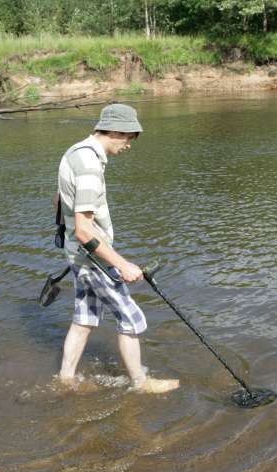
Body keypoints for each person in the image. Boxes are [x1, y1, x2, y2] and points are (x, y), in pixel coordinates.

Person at [56, 103, 179, 394]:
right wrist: (122, 265)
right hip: (92, 257)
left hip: (78, 255)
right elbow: (84, 230)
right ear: (113, 130)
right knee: (132, 318)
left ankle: (65, 379)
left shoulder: (76, 152)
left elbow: (58, 200)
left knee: (84, 319)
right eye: (128, 137)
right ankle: (140, 383)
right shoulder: (89, 165)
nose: (129, 145)